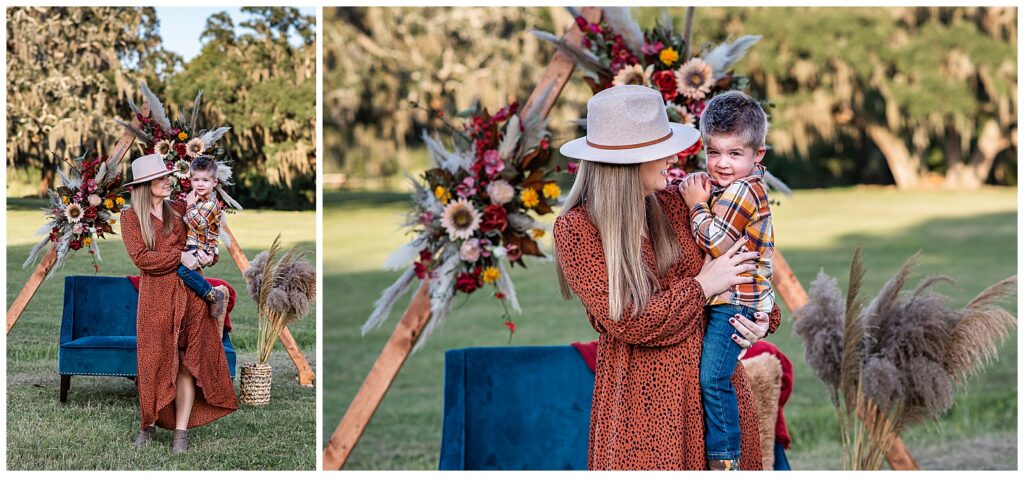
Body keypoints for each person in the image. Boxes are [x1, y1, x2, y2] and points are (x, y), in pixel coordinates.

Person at [554, 85, 781, 470]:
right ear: (628, 161)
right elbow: (629, 318)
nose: (675, 158)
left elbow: (751, 262)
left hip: (715, 407)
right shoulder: (577, 229)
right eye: (661, 152)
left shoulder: (684, 201)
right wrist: (704, 285)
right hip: (643, 409)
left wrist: (760, 319)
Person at [678, 90, 776, 469]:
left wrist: (695, 205)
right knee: (713, 375)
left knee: (713, 378)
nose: (721, 164)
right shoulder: (733, 185)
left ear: (757, 155)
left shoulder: (741, 190)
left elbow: (717, 242)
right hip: (736, 300)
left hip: (735, 304)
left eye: (735, 154)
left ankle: (725, 460)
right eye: (713, 152)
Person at [120, 153, 239, 453]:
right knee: (152, 363)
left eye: (166, 176)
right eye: (160, 178)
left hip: (190, 297)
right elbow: (142, 259)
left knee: (188, 365)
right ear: (146, 185)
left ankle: (181, 434)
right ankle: (147, 424)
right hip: (156, 298)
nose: (167, 181)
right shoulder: (131, 217)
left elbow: (203, 237)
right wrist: (179, 257)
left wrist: (210, 256)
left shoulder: (180, 208)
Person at [178, 156, 229, 332]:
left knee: (183, 271)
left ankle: (213, 295)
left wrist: (190, 205)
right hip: (194, 244)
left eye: (205, 180)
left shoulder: (211, 204)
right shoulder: (199, 200)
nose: (200, 184)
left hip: (202, 247)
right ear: (190, 180)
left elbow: (198, 224)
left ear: (214, 182)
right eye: (196, 180)